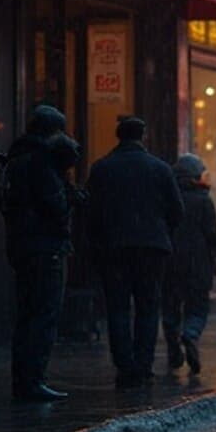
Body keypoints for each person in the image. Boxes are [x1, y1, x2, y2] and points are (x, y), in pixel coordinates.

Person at [85, 117, 185, 388]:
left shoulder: (102, 168)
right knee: (148, 306)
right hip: (152, 248)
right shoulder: (160, 169)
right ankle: (143, 363)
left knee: (117, 307)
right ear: (143, 136)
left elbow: (90, 212)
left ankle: (124, 365)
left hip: (114, 247)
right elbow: (177, 211)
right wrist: (159, 231)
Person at [2, 105, 79, 402]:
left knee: (27, 315)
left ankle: (23, 379)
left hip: (21, 245)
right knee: (43, 314)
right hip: (44, 247)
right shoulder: (42, 162)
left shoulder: (17, 157)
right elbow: (55, 206)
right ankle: (32, 380)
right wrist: (68, 196)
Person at [164, 153, 216, 376]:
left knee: (170, 308)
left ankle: (173, 350)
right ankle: (190, 334)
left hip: (170, 262)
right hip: (198, 264)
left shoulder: (168, 199)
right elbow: (212, 234)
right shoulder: (202, 201)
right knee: (197, 307)